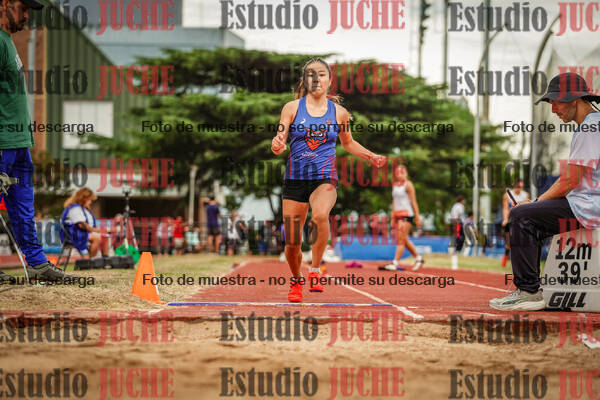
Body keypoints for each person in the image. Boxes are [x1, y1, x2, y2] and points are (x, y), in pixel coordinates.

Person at [271, 58, 386, 302]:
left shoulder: (339, 113)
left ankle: (315, 269)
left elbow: (348, 143)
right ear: (304, 80)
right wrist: (277, 144)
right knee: (292, 242)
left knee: (321, 216)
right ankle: (296, 281)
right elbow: (279, 137)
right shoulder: (291, 108)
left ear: (329, 80)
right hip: (295, 178)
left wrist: (371, 155)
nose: (316, 79)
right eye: (311, 74)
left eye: (321, 74)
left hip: (324, 177)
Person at [490, 72, 600, 311]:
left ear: (574, 99)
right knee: (531, 216)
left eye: (556, 102)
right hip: (589, 203)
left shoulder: (590, 128)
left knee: (522, 216)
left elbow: (570, 181)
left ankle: (529, 292)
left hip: (589, 206)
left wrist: (535, 202)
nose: (553, 109)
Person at [0, 0, 75, 283]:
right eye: (23, 8)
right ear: (4, 4)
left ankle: (37, 265)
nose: (27, 15)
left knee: (23, 207)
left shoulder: (7, 40)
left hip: (19, 142)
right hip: (3, 141)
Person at [382, 165, 424, 271]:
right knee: (404, 239)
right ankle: (419, 258)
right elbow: (394, 202)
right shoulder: (395, 185)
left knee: (400, 239)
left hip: (406, 215)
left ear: (406, 173)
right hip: (397, 215)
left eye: (401, 172)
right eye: (397, 173)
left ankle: (395, 262)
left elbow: (413, 202)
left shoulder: (408, 185)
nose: (399, 175)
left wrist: (417, 217)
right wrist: (392, 217)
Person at [60, 188, 109, 258]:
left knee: (105, 236)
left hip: (82, 233)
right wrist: (95, 230)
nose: (90, 202)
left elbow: (92, 225)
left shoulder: (85, 209)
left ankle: (105, 260)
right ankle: (91, 261)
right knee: (97, 238)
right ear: (83, 199)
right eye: (89, 200)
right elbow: (82, 225)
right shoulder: (75, 208)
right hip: (73, 235)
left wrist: (100, 230)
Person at [501, 179, 529, 266]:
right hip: (511, 220)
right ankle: (504, 261)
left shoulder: (525, 195)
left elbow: (527, 208)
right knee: (509, 243)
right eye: (518, 186)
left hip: (521, 221)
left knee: (521, 242)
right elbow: (505, 208)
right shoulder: (507, 195)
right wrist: (505, 219)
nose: (519, 188)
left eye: (521, 187)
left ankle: (520, 262)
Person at [449, 195, 466, 269]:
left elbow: (452, 214)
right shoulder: (460, 206)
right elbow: (459, 215)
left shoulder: (454, 205)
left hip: (454, 221)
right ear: (461, 200)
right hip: (458, 222)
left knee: (456, 235)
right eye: (464, 200)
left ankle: (455, 248)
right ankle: (457, 249)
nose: (464, 202)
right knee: (460, 236)